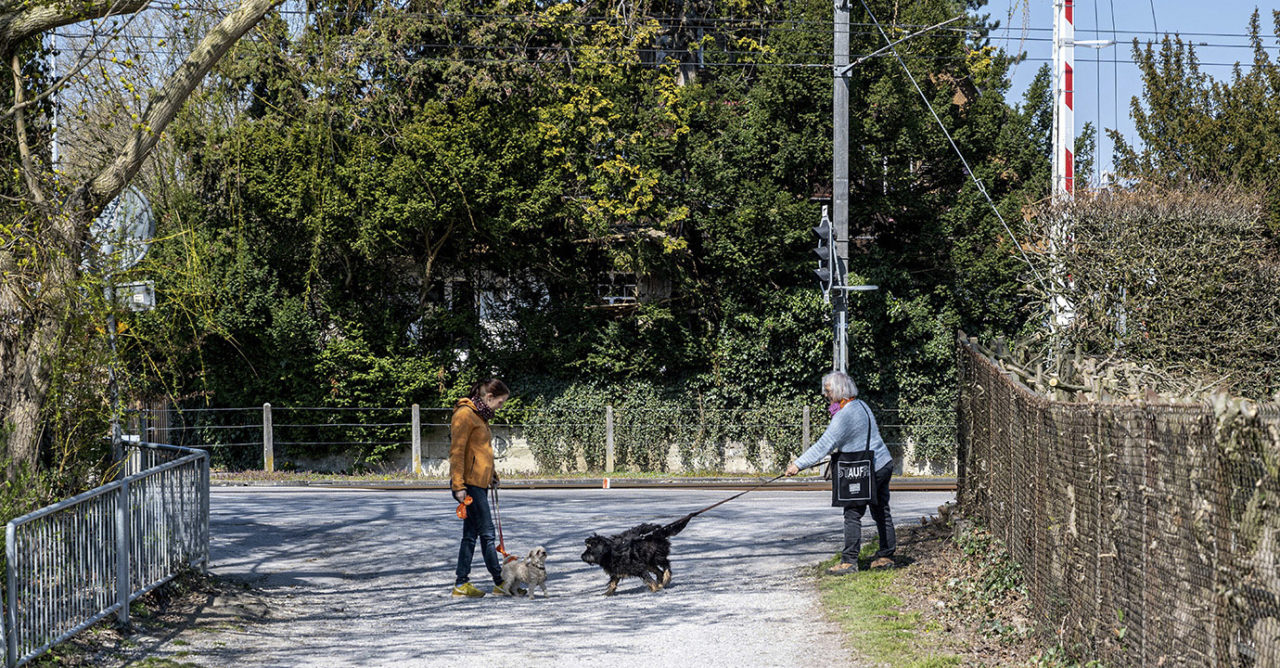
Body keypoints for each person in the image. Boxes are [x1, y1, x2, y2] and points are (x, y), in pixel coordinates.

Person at [785, 371, 895, 575]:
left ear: (839, 390)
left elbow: (824, 444)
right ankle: (886, 555)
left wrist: (798, 465)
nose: (825, 395)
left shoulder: (844, 415)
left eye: (828, 391)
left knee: (852, 513)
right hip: (883, 462)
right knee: (881, 511)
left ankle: (849, 562)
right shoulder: (861, 405)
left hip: (867, 468)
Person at [450, 378, 512, 597]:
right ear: (489, 397)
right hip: (469, 485)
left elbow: (482, 451)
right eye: (501, 402)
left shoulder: (480, 416)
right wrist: (458, 485)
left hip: (479, 483)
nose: (501, 406)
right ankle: (501, 581)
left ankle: (461, 583)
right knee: (488, 534)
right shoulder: (465, 415)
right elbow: (457, 452)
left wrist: (492, 475)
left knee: (470, 536)